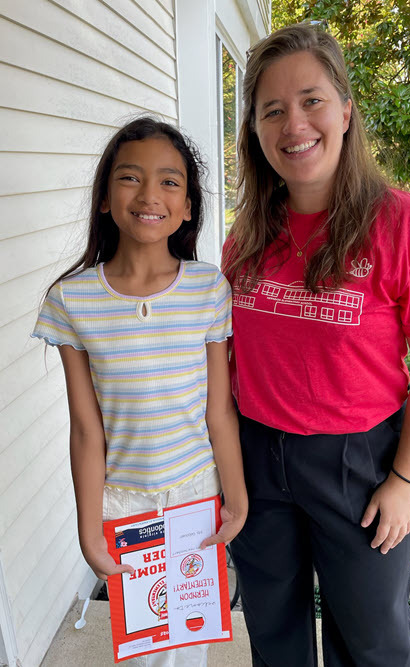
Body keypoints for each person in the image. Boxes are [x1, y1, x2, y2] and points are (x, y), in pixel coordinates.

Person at [222, 24, 410, 667]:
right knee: (274, 629)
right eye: (271, 109)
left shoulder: (409, 227)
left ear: (347, 108)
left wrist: (403, 479)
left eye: (311, 99)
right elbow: (226, 355)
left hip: (357, 465)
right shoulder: (247, 237)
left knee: (371, 639)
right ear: (254, 128)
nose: (292, 123)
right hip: (256, 460)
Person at [32, 117, 248, 667]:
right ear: (106, 198)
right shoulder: (71, 301)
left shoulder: (208, 289)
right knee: (146, 647)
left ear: (189, 206)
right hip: (124, 502)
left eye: (169, 182)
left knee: (189, 641)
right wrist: (88, 529)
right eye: (130, 178)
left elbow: (219, 409)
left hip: (195, 493)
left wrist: (236, 494)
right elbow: (86, 428)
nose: (150, 194)